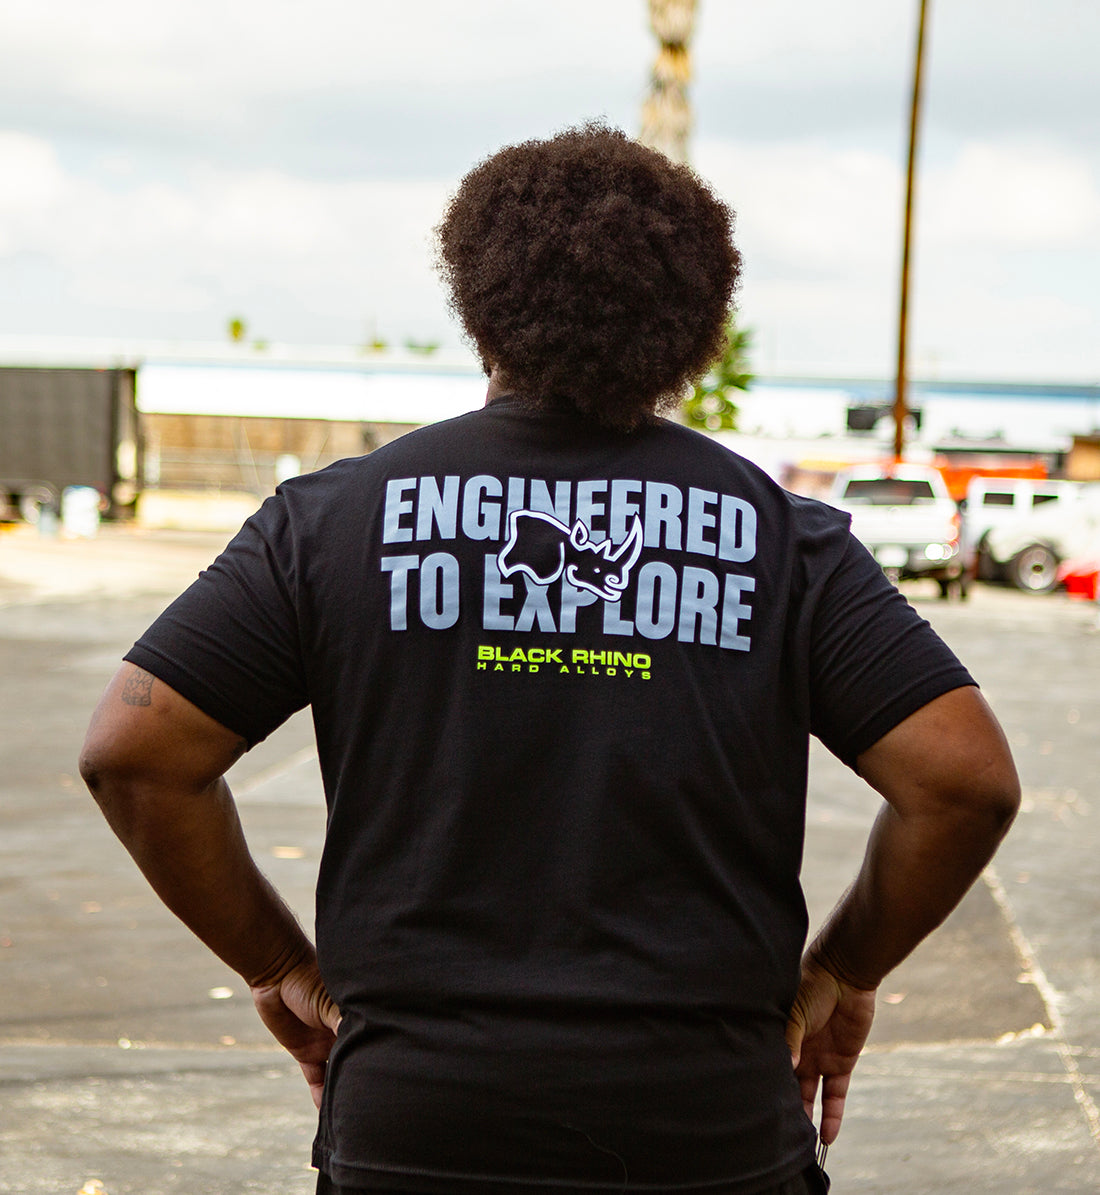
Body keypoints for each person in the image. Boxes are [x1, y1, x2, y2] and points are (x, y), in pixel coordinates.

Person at [80, 124, 1020, 1195]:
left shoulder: (333, 522)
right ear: (692, 326)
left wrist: (278, 963)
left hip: (418, 1131)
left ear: (479, 306)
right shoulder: (778, 538)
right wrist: (842, 971)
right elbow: (962, 779)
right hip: (704, 1129)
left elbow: (136, 752)